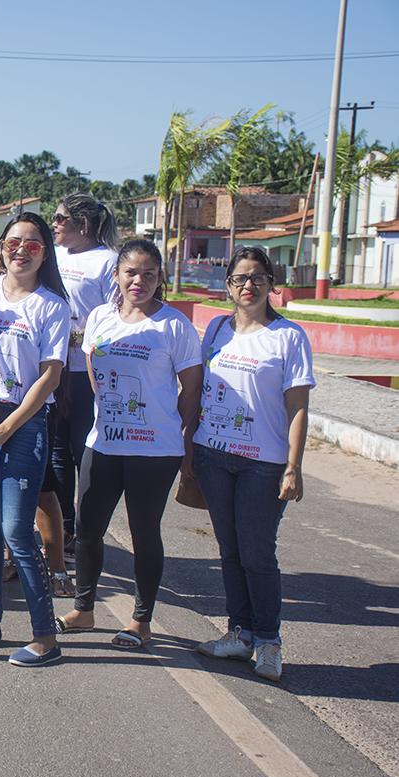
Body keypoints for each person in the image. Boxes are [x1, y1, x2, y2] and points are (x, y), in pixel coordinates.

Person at [56, 239, 202, 649]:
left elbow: (192, 389)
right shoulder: (101, 316)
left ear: (160, 279)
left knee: (143, 533)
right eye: (131, 273)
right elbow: (91, 368)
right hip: (102, 444)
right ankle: (84, 609)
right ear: (117, 276)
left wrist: (171, 427)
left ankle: (141, 620)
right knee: (87, 530)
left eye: (149, 274)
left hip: (155, 452)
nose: (139, 281)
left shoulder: (174, 326)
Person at [193, 247, 314, 682]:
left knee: (258, 554)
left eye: (258, 278)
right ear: (228, 285)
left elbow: (298, 407)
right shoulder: (216, 331)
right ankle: (239, 634)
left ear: (271, 284)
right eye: (241, 278)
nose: (249, 286)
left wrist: (293, 466)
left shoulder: (289, 337)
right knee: (230, 552)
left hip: (263, 463)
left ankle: (268, 641)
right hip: (213, 456)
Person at [0, 214, 69, 665]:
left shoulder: (51, 305)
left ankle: (46, 637)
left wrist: (7, 428)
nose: (21, 249)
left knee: (17, 531)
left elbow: (50, 377)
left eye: (33, 244)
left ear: (46, 252)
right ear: (0, 246)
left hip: (22, 422)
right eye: (13, 242)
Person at [50, 194, 119, 562]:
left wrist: (82, 339)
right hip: (53, 370)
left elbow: (114, 314)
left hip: (87, 373)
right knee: (57, 453)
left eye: (61, 219)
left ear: (84, 225)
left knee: (85, 454)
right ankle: (64, 528)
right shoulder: (54, 256)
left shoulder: (107, 261)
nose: (55, 224)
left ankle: (88, 532)